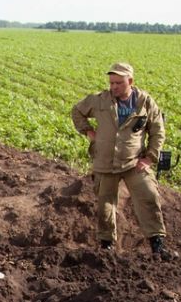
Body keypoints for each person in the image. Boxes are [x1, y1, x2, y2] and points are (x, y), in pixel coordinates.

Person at [71, 62, 175, 259]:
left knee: (148, 196)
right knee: (105, 205)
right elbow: (77, 111)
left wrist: (149, 159)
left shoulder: (144, 102)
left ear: (130, 81)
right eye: (111, 83)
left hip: (133, 162)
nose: (114, 87)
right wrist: (88, 131)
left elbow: (157, 131)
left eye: (118, 83)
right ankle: (107, 245)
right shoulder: (100, 100)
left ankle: (157, 245)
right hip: (105, 162)